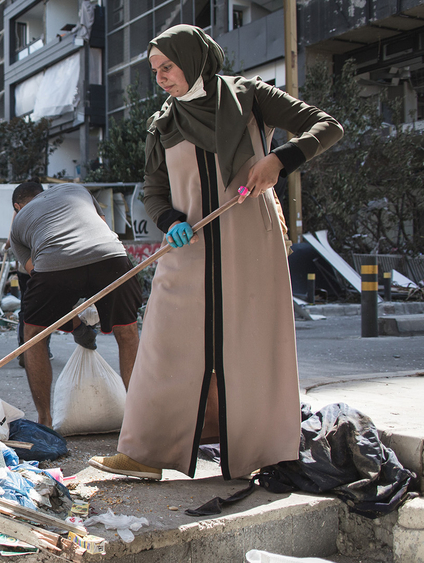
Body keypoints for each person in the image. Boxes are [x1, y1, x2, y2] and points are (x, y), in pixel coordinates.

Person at [90, 25, 343, 481]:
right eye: (156, 70)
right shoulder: (163, 123)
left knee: (252, 343)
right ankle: (145, 453)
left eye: (168, 66)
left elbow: (327, 126)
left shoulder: (249, 95)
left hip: (251, 240)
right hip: (189, 244)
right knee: (164, 344)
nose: (162, 77)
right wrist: (170, 221)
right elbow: (153, 189)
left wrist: (280, 159)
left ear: (192, 57)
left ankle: (263, 452)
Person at [9, 181, 143, 427]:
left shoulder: (17, 226)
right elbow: (101, 227)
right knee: (128, 331)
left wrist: (75, 322)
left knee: (34, 334)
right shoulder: (75, 189)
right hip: (110, 257)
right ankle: (139, 422)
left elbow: (39, 273)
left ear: (18, 207)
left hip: (55, 266)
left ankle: (44, 421)